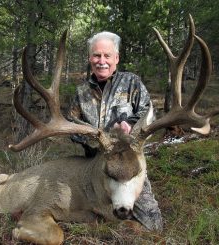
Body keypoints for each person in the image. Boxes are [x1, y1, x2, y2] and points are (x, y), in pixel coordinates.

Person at [67, 31, 163, 232]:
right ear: (90, 58)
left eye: (107, 56)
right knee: (85, 221)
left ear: (116, 58)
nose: (101, 61)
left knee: (153, 225)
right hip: (95, 169)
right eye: (96, 55)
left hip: (128, 169)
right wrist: (97, 138)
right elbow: (70, 126)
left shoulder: (132, 83)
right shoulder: (81, 92)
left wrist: (130, 124)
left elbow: (149, 114)